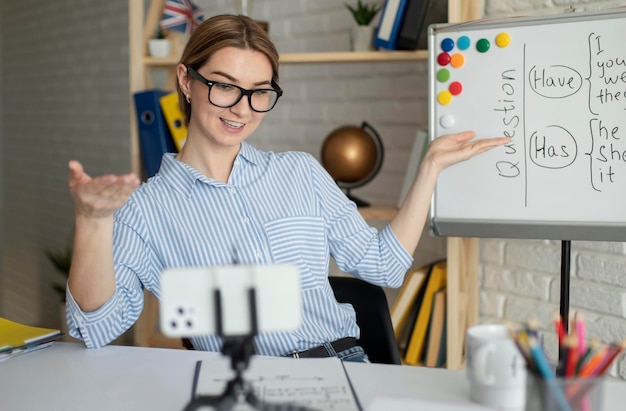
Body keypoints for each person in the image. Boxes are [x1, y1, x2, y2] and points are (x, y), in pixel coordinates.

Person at [66, 14, 510, 361]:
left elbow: (384, 267)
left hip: (343, 366)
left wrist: (430, 167)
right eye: (224, 86)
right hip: (244, 383)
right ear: (186, 80)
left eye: (260, 91)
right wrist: (91, 222)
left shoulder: (300, 172)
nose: (242, 108)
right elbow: (94, 328)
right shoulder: (145, 208)